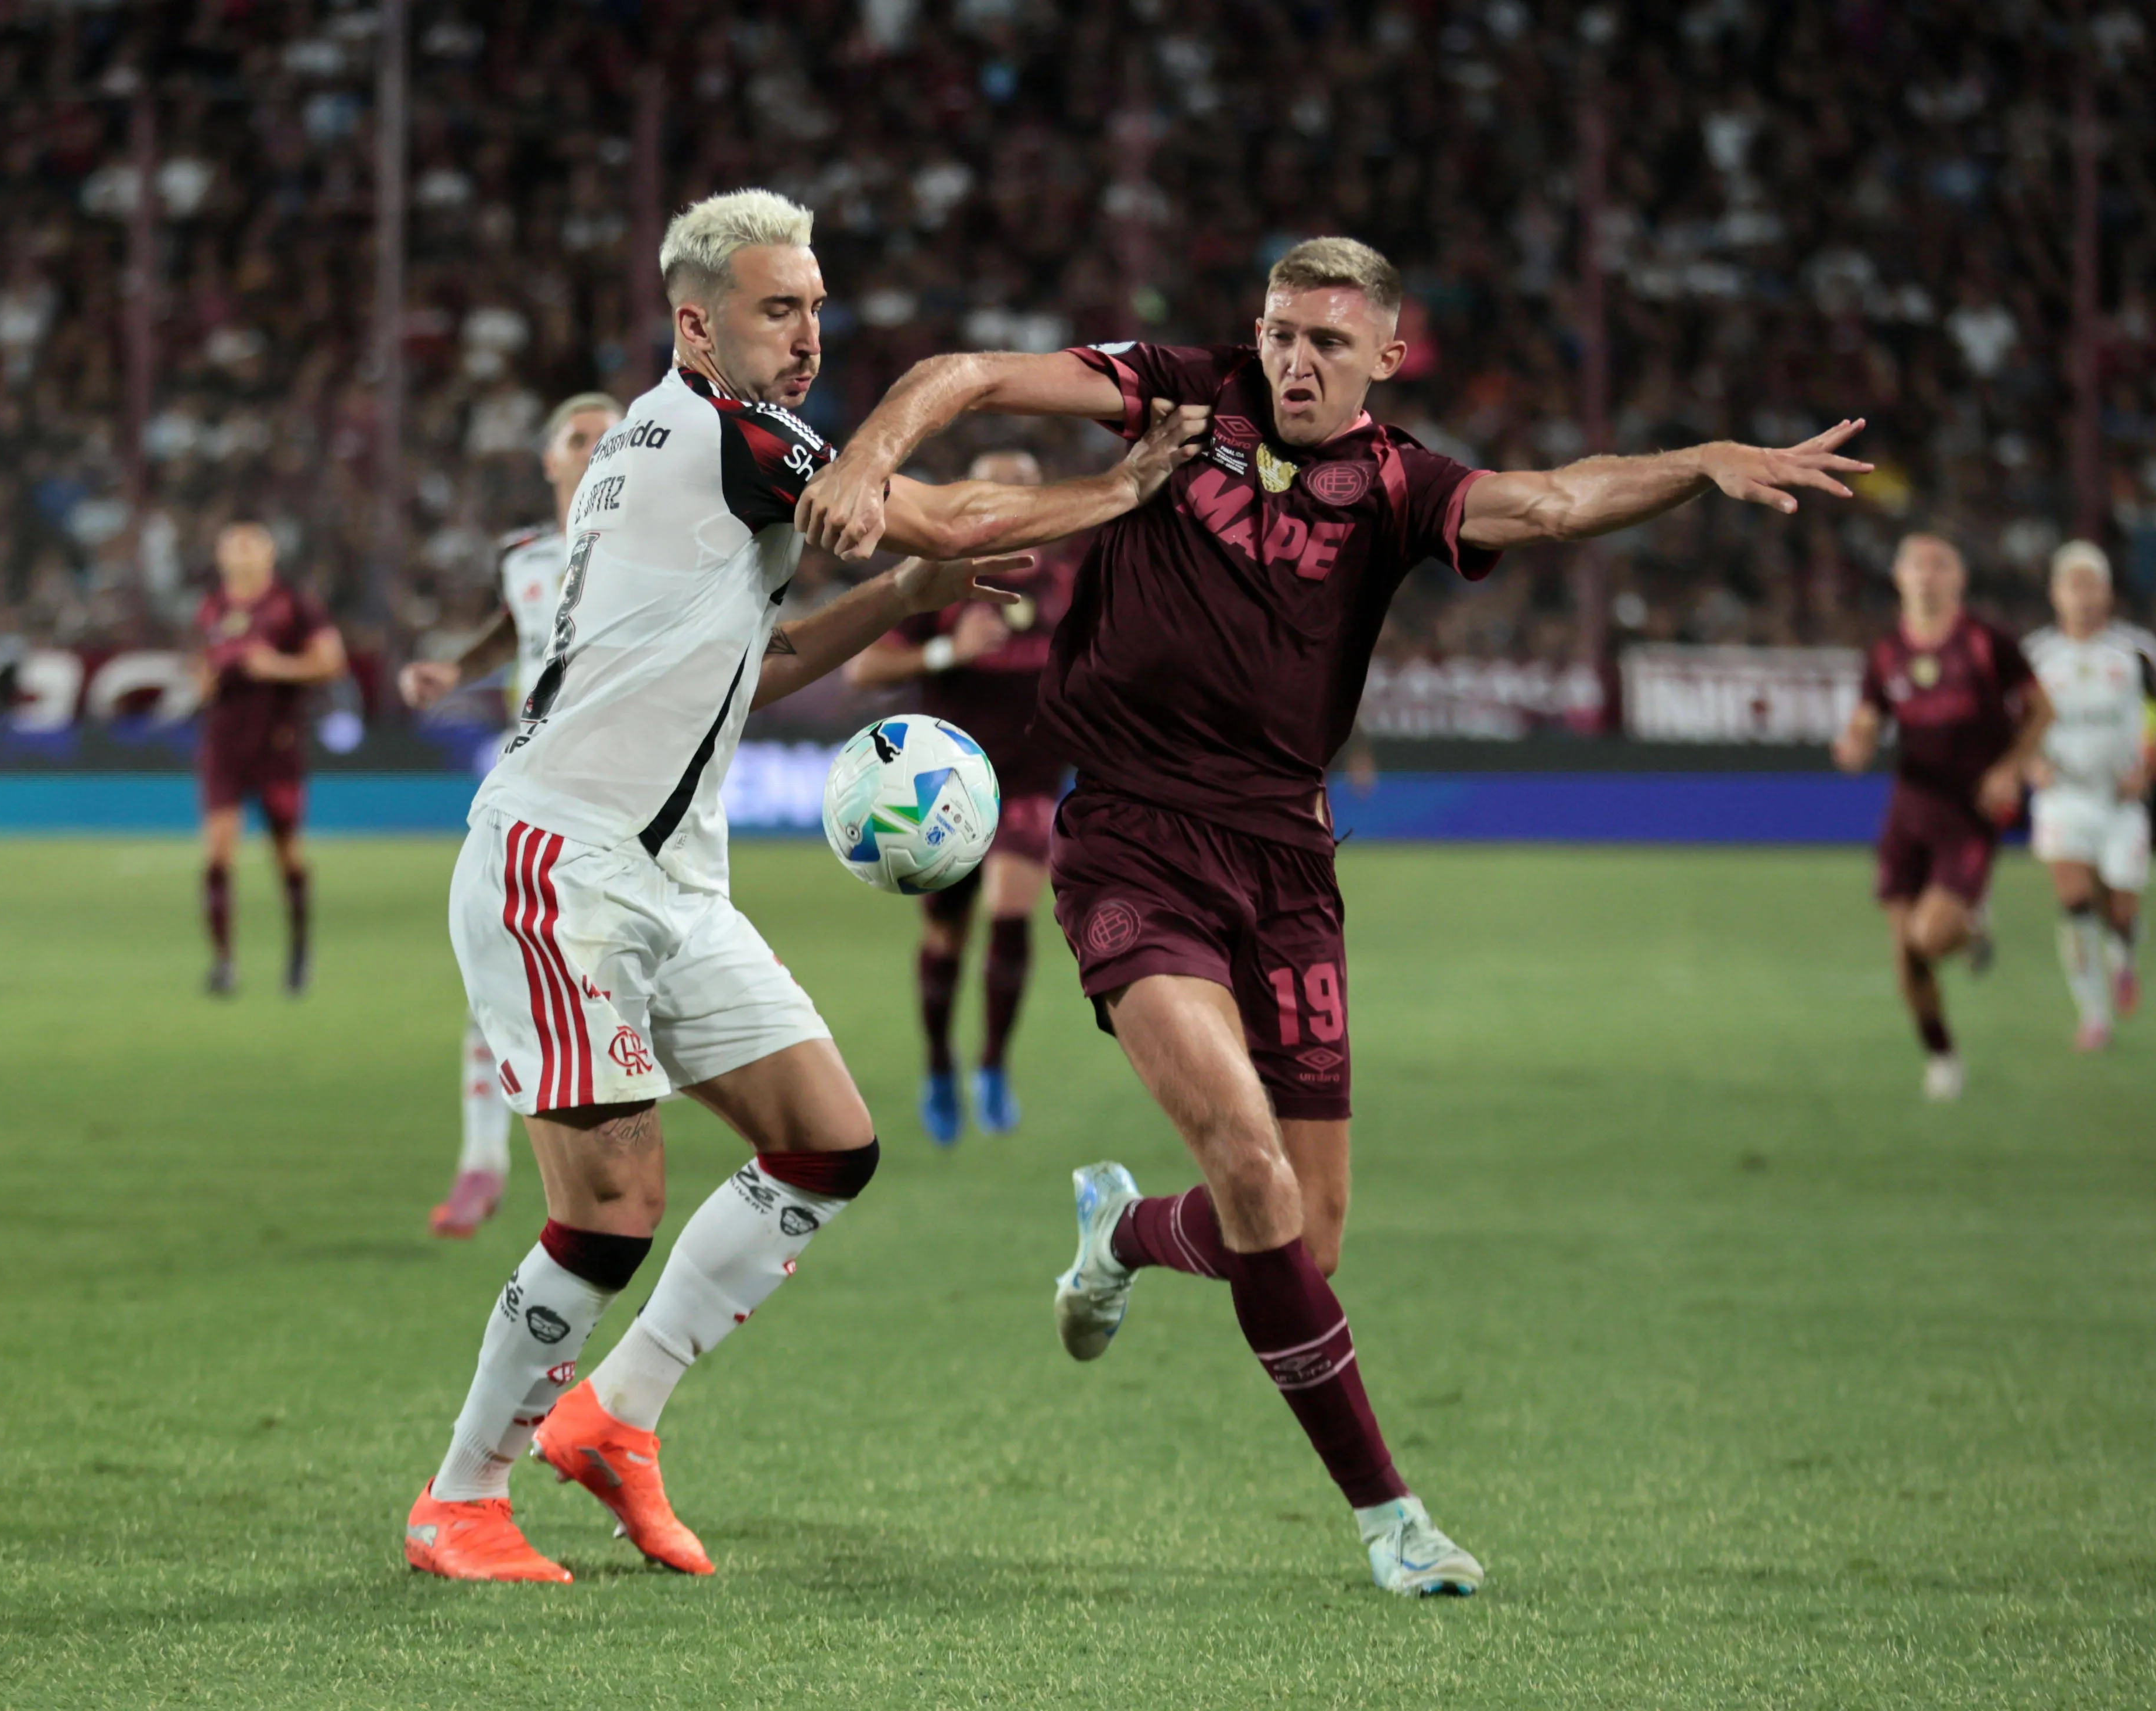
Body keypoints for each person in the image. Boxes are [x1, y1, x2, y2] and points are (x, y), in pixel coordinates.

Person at [794, 235, 1867, 1596]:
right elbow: (970, 373)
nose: (1292, 360)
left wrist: (1701, 459)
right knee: (1248, 1160)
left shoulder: (1399, 485)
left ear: (1385, 355)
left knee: (1302, 1237)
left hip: (1290, 867)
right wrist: (867, 455)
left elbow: (1549, 504)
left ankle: (1119, 1233)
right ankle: (1390, 1519)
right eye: (1280, 331)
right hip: (1131, 842)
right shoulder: (1182, 395)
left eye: (1324, 342)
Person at [403, 188, 1208, 1584]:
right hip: (560, 867)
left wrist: (899, 600)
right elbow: (941, 506)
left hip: (668, 879)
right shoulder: (724, 431)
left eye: (818, 308)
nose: (808, 335)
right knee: (609, 1206)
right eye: (781, 310)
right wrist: (1123, 491)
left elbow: (757, 665)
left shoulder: (674, 453)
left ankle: (615, 1416)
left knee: (827, 1141)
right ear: (694, 323)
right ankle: (461, 1498)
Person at [400, 392, 623, 1239]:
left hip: (626, 788)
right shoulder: (526, 556)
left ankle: (603, 1155)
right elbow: (513, 628)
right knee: (496, 970)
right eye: (581, 436)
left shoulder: (668, 547)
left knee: (614, 975)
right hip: (529, 782)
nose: (600, 445)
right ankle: (481, 1162)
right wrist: (449, 670)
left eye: (615, 434)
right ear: (549, 461)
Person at [845, 450, 1084, 1144]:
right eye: (997, 487)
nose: (1011, 499)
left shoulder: (1069, 581)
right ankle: (940, 1065)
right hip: (943, 786)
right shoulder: (943, 580)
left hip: (1033, 779)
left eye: (1025, 487)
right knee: (947, 936)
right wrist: (948, 653)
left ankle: (992, 1066)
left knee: (1012, 914)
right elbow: (866, 668)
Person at [1834, 533, 2053, 1098]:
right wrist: (1855, 741)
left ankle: (1973, 925)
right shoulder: (1886, 651)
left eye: (1940, 565)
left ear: (1959, 579)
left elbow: (2041, 711)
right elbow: (1868, 715)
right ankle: (1942, 1057)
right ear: (1899, 578)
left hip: (1971, 811)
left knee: (1930, 937)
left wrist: (2012, 767)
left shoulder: (1986, 642)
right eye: (1917, 566)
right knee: (1904, 954)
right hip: (1909, 811)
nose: (1927, 575)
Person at [2022, 540, 2156, 1050]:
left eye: (2093, 586)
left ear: (2109, 593)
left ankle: (2125, 957)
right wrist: (2029, 762)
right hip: (2063, 794)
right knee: (2073, 899)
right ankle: (2094, 1017)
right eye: (2075, 586)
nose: (2084, 597)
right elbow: (2012, 723)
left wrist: (2151, 764)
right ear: (2056, 594)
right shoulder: (2036, 655)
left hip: (2121, 799)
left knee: (2120, 909)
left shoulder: (2135, 650)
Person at [190, 519, 346, 997]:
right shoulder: (212, 608)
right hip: (224, 744)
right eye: (232, 544)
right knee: (217, 850)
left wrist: (277, 666)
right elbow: (200, 668)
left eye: (250, 543)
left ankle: (299, 952)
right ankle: (223, 964)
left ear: (269, 552)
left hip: (277, 744)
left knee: (286, 855)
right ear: (220, 556)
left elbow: (331, 661)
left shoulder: (294, 605)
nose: (241, 552)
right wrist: (206, 682)